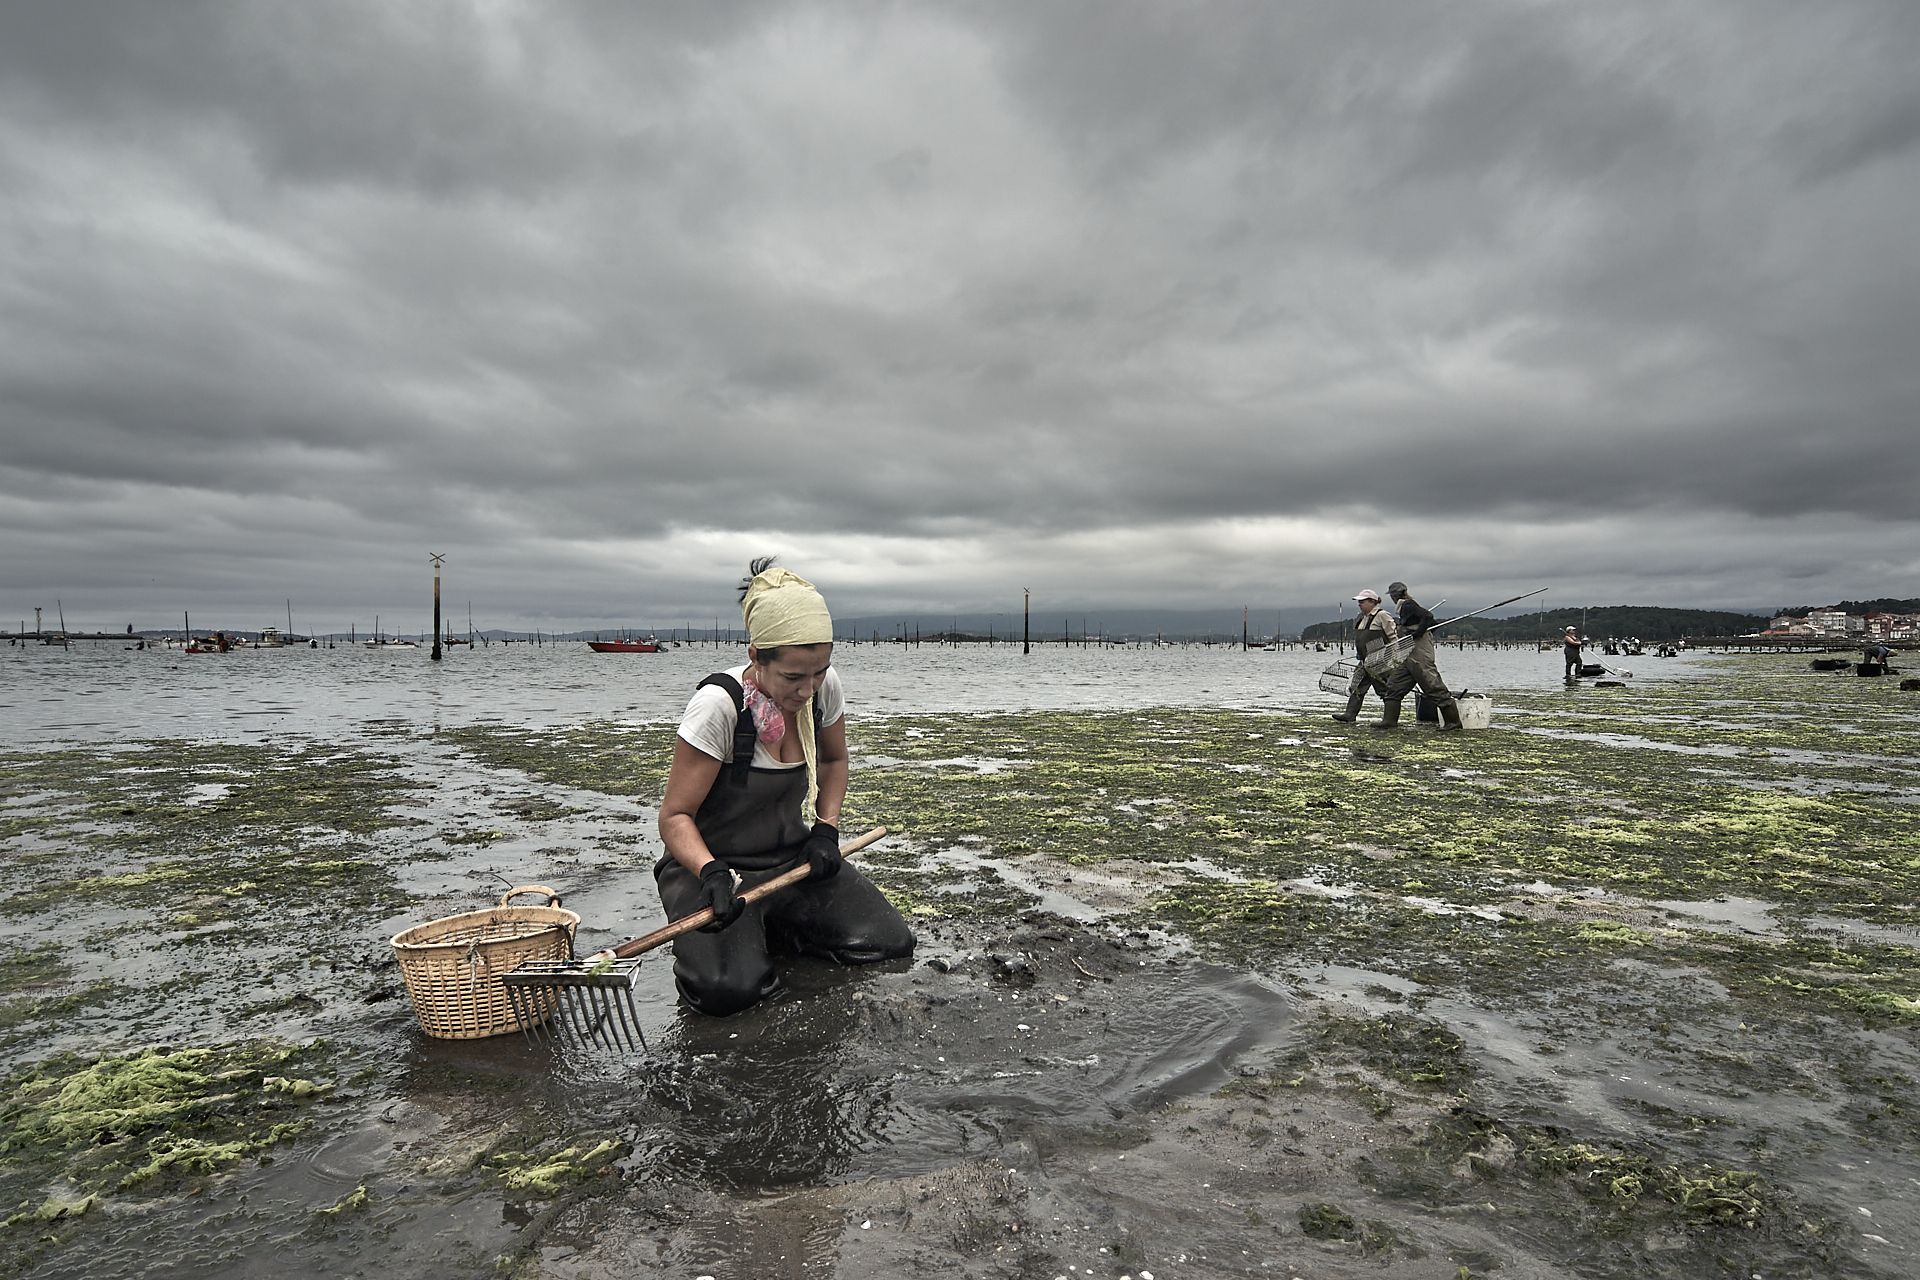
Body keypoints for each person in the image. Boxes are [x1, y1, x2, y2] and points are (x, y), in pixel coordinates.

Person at [655, 558, 914, 1015]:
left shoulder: (822, 689)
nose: (808, 689)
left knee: (887, 944)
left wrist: (825, 831)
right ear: (756, 655)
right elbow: (674, 817)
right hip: (715, 874)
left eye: (819, 671)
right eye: (793, 677)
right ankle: (742, 942)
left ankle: (772, 930)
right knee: (726, 994)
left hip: (792, 864)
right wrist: (711, 872)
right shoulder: (719, 707)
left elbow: (834, 761)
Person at [1387, 582, 1461, 731]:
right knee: (1394, 685)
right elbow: (1433, 622)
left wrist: (1419, 632)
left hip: (1419, 651)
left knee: (1431, 683)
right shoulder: (1405, 606)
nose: (1393, 598)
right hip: (1407, 653)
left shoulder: (1408, 605)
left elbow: (1428, 616)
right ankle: (1389, 721)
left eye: (1392, 595)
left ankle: (1453, 722)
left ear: (1395, 595)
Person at [1331, 589, 1409, 728]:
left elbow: (1393, 637)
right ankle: (1350, 714)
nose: (1359, 604)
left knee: (1384, 689)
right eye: (1359, 602)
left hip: (1380, 660)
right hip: (1363, 660)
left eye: (1362, 601)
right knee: (1357, 686)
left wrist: (1395, 657)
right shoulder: (1361, 617)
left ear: (1373, 602)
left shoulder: (1382, 615)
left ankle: (1389, 720)